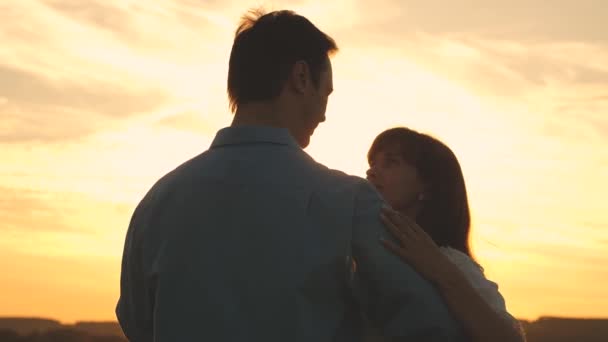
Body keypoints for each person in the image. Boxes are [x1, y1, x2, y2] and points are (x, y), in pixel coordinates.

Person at [116, 9, 465, 342]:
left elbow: (137, 323)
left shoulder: (156, 202)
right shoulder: (348, 201)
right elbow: (429, 327)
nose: (324, 116)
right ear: (301, 78)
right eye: (325, 93)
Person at [365, 127, 526, 342]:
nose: (372, 171)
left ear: (428, 186)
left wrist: (440, 271)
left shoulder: (450, 262)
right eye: (372, 163)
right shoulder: (359, 250)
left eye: (391, 162)